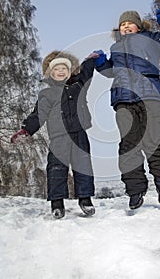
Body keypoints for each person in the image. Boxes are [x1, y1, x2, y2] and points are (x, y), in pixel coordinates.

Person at [90, 7, 160, 210]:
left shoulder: (151, 41)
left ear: (138, 26)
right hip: (123, 100)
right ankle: (135, 190)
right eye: (123, 24)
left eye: (130, 23)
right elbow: (112, 71)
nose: (126, 26)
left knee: (154, 141)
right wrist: (102, 63)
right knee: (129, 145)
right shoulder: (116, 48)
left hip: (149, 97)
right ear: (119, 30)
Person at [11, 51, 95, 219]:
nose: (61, 71)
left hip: (79, 135)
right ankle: (57, 202)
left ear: (70, 71)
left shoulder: (78, 87)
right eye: (57, 69)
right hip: (59, 138)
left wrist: (90, 60)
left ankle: (85, 199)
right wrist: (26, 130)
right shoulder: (46, 94)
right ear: (50, 73)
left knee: (83, 167)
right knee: (56, 169)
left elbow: (86, 75)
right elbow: (38, 115)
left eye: (65, 68)